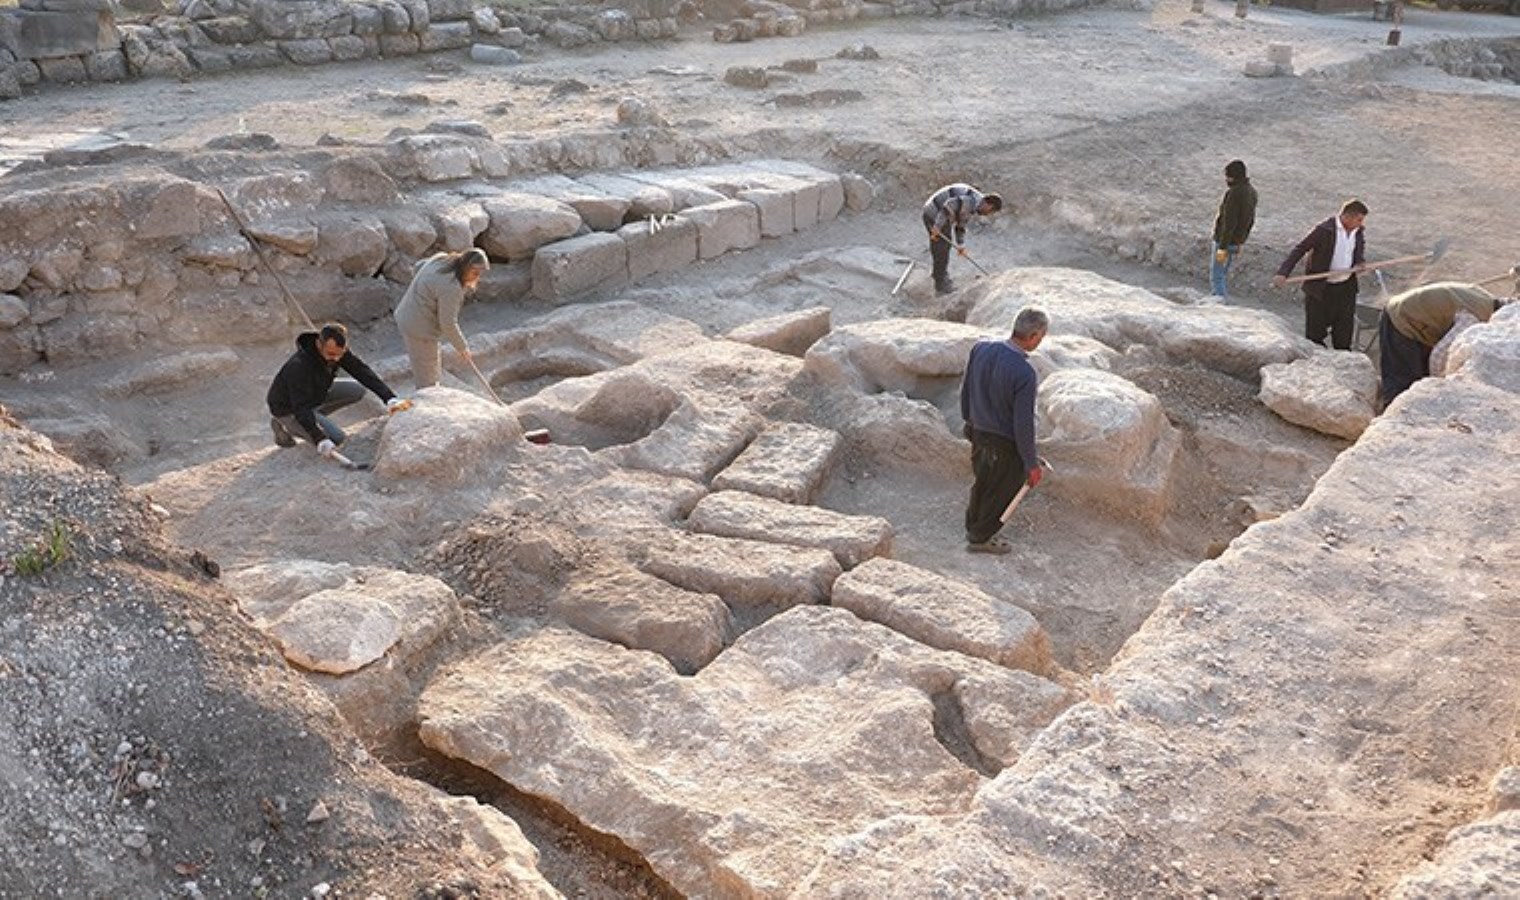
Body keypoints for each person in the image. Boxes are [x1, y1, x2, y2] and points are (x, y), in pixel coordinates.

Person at [959, 306, 1049, 555]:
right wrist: (1031, 464)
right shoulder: (1024, 373)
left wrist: (968, 420)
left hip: (978, 431)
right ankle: (980, 537)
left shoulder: (981, 348)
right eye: (1041, 336)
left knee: (983, 481)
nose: (1040, 341)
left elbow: (965, 390)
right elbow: (1022, 423)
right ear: (1034, 336)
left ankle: (973, 525)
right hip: (1002, 441)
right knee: (1002, 489)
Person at [266, 322, 406, 459]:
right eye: (332, 354)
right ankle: (285, 425)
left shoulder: (336, 351)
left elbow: (361, 370)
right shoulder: (299, 366)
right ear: (319, 344)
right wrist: (320, 438)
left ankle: (313, 419)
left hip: (316, 395)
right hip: (290, 408)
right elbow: (301, 407)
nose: (337, 359)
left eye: (340, 354)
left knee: (357, 390)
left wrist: (389, 398)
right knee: (337, 439)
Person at [1378, 281, 1505, 405]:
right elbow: (1437, 356)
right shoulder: (1473, 319)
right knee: (1403, 385)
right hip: (1401, 318)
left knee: (1418, 383)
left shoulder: (1486, 299)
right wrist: (1438, 386)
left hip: (1417, 316)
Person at [1273, 199, 1368, 350]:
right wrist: (1283, 272)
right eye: (1359, 219)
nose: (1361, 223)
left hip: (1345, 289)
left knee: (1343, 334)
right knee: (1315, 335)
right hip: (1320, 289)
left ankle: (1342, 367)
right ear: (1348, 217)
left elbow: (1358, 251)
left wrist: (1359, 263)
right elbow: (1300, 249)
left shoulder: (1358, 231)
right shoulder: (1324, 230)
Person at [394, 248, 490, 389]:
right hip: (420, 329)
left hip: (405, 314)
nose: (477, 278)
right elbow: (448, 323)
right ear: (466, 267)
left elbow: (418, 267)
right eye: (475, 273)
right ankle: (427, 406)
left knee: (425, 364)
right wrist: (462, 347)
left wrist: (424, 293)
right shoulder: (452, 287)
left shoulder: (441, 258)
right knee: (428, 378)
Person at [922, 184, 1003, 295]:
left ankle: (939, 274)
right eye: (990, 211)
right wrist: (937, 226)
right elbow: (948, 206)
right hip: (933, 212)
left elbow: (961, 224)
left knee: (943, 246)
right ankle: (940, 285)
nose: (988, 214)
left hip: (941, 215)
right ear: (988, 204)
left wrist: (961, 245)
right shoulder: (970, 202)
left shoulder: (975, 205)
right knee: (942, 248)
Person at [1210, 159, 1257, 298]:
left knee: (1217, 277)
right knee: (1223, 274)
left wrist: (1222, 247)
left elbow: (1228, 223)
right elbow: (1250, 220)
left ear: (1234, 176)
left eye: (1228, 176)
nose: (1226, 179)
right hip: (1236, 242)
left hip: (1224, 242)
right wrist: (1241, 241)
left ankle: (1219, 305)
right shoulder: (1251, 192)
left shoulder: (1234, 193)